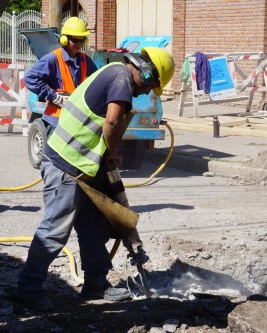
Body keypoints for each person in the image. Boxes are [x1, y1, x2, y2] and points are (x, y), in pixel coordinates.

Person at [15, 46, 175, 311]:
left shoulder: (114, 74)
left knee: (93, 228)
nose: (148, 92)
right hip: (66, 166)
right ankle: (28, 289)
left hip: (83, 169)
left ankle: (95, 285)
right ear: (146, 74)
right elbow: (111, 123)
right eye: (151, 86)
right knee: (55, 230)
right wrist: (113, 153)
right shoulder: (121, 80)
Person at [24, 16, 97, 136]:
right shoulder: (53, 59)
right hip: (56, 121)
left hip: (76, 121)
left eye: (82, 40)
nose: (79, 44)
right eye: (75, 40)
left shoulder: (85, 61)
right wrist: (53, 96)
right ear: (64, 40)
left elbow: (97, 79)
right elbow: (29, 78)